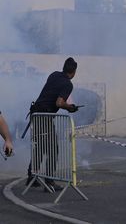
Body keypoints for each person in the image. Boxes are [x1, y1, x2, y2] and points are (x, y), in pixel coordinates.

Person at [26, 57, 80, 190]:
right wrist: (70, 108)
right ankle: (49, 182)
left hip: (36, 114)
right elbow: (59, 103)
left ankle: (32, 177)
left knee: (39, 146)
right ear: (73, 72)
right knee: (52, 149)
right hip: (45, 116)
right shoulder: (68, 84)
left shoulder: (54, 75)